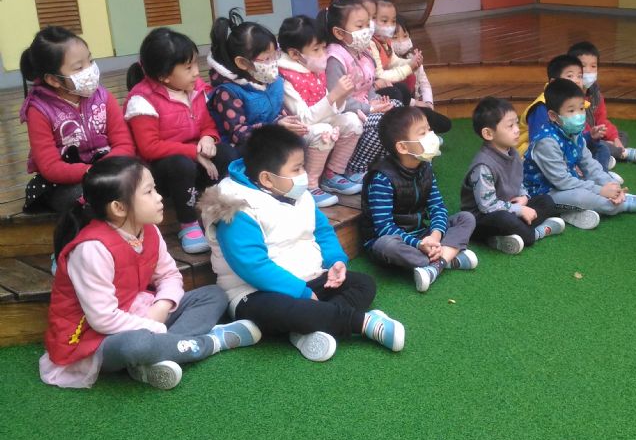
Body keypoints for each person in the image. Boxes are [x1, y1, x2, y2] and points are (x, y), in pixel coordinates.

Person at [39, 156, 260, 390]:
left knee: (213, 295)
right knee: (138, 345)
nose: (159, 197)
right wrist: (153, 326)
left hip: (142, 311)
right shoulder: (92, 249)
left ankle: (158, 355)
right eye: (149, 192)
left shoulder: (149, 230)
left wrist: (162, 306)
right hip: (94, 337)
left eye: (155, 188)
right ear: (119, 207)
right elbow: (103, 319)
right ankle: (211, 343)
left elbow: (169, 275)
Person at [200, 125, 404, 362]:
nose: (303, 174)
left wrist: (335, 261)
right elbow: (253, 266)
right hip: (253, 293)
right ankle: (364, 323)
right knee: (288, 310)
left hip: (308, 278)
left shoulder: (297, 193)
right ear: (267, 179)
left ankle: (306, 328)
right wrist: (301, 292)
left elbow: (322, 231)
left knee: (363, 284)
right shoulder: (233, 206)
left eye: (303, 166)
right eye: (297, 168)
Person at [125, 28, 238, 254]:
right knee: (181, 165)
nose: (197, 72)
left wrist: (208, 137)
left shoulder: (193, 89)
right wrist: (193, 152)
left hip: (194, 158)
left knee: (227, 153)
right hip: (164, 170)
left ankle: (218, 211)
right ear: (164, 76)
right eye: (188, 68)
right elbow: (149, 147)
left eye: (195, 64)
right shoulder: (142, 100)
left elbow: (207, 123)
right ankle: (188, 224)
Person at [360, 107, 477, 293]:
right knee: (385, 245)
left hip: (423, 235)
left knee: (466, 218)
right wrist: (419, 245)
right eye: (422, 133)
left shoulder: (425, 167)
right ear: (402, 147)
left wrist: (435, 236)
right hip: (395, 240)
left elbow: (438, 207)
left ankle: (433, 265)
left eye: (429, 129)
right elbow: (384, 227)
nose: (431, 135)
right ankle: (446, 259)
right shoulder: (382, 178)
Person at [19, 26, 135, 213]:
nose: (90, 70)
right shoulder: (39, 110)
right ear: (53, 80)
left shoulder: (103, 97)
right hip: (68, 181)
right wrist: (89, 172)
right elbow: (50, 166)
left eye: (91, 61)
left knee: (139, 181)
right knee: (86, 198)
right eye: (79, 68)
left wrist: (105, 168)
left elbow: (124, 144)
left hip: (109, 167)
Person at [523, 79, 636, 227]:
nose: (579, 115)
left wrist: (611, 185)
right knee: (580, 197)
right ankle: (623, 204)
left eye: (581, 108)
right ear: (553, 116)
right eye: (571, 111)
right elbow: (562, 181)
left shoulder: (573, 132)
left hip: (568, 184)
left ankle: (609, 200)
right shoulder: (546, 142)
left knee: (600, 180)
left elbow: (589, 164)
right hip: (543, 194)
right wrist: (601, 190)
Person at [277, 14, 364, 206]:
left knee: (353, 121)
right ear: (294, 54)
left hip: (319, 121)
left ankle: (333, 174)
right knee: (323, 131)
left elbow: (334, 108)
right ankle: (310, 185)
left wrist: (341, 95)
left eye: (324, 47)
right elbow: (304, 120)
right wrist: (333, 95)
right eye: (316, 49)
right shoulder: (285, 77)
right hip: (298, 131)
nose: (323, 53)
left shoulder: (313, 69)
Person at [461, 97, 565, 254]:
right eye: (510, 126)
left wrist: (524, 197)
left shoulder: (513, 152)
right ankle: (534, 233)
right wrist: (519, 210)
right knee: (507, 221)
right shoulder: (483, 166)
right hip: (483, 218)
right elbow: (487, 206)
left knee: (547, 201)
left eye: (516, 123)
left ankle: (513, 234)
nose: (517, 130)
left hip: (509, 207)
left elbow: (518, 180)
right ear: (488, 133)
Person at [206, 8, 308, 150]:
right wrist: (275, 128)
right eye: (267, 58)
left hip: (271, 137)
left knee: (301, 142)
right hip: (244, 147)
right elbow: (237, 134)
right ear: (242, 62)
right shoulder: (227, 92)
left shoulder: (273, 80)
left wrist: (287, 122)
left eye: (275, 55)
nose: (273, 63)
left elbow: (277, 112)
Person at [324, 0, 396, 175]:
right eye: (359, 26)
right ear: (339, 33)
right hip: (347, 114)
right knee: (381, 122)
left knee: (396, 108)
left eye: (367, 24)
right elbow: (338, 100)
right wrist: (370, 108)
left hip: (365, 108)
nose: (366, 30)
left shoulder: (363, 52)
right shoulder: (335, 58)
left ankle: (384, 163)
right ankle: (355, 167)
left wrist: (377, 101)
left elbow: (368, 84)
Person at [567, 40, 636, 170]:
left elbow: (602, 120)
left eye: (593, 66)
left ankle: (609, 154)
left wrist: (614, 138)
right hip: (579, 139)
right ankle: (624, 154)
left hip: (595, 134)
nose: (589, 71)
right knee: (599, 145)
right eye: (583, 66)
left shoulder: (595, 94)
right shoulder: (569, 96)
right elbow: (577, 130)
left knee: (621, 135)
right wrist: (596, 138)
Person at [373, 0, 452, 134]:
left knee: (444, 123)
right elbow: (381, 74)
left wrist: (412, 62)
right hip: (393, 99)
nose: (389, 26)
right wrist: (409, 67)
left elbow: (423, 82)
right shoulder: (373, 44)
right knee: (399, 90)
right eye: (384, 21)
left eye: (392, 21)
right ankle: (404, 129)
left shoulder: (386, 43)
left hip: (409, 100)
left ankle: (421, 125)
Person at [516, 54, 584, 156]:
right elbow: (539, 142)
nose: (577, 81)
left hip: (559, 146)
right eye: (570, 76)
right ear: (553, 82)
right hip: (530, 155)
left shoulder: (573, 102)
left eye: (580, 76)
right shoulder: (541, 107)